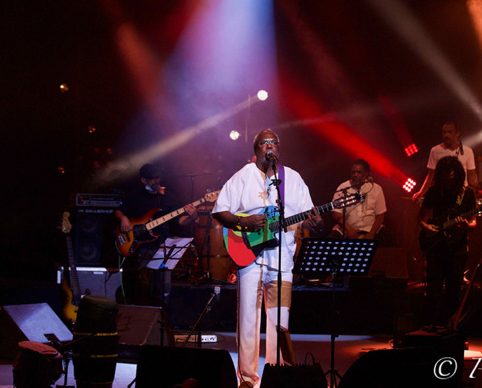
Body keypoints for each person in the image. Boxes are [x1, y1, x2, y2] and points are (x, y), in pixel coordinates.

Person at [212, 129, 321, 388]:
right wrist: (244, 220)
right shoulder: (243, 176)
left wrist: (316, 222)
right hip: (249, 254)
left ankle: (278, 377)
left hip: (282, 258)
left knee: (279, 321)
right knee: (248, 318)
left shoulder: (292, 179)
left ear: (279, 148)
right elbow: (219, 211)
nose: (269, 146)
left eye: (273, 142)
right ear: (256, 149)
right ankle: (248, 380)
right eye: (264, 142)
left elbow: (310, 215)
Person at [113, 163, 195, 306]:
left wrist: (192, 217)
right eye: (152, 178)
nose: (156, 181)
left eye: (158, 178)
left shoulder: (168, 196)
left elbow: (179, 221)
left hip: (163, 245)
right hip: (141, 247)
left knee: (164, 286)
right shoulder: (135, 195)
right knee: (144, 286)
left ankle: (162, 315)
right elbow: (119, 211)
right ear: (143, 180)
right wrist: (123, 218)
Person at [417, 156, 477, 328]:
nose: (449, 183)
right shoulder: (434, 191)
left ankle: (451, 328)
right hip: (436, 247)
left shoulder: (467, 194)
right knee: (433, 290)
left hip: (458, 249)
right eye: (446, 179)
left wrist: (467, 226)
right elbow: (420, 217)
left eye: (452, 179)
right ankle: (429, 327)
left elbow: (473, 222)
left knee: (454, 290)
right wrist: (427, 228)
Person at [413, 122, 479, 202]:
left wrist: (477, 188)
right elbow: (430, 175)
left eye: (450, 132)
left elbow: (472, 176)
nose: (446, 135)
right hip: (442, 194)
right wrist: (421, 192)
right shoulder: (435, 150)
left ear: (457, 133)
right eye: (444, 132)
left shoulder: (468, 151)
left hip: (460, 194)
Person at [330, 159, 387, 239]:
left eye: (359, 172)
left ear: (366, 173)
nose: (355, 175)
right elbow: (336, 213)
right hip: (347, 230)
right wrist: (349, 229)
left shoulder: (376, 189)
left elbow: (380, 214)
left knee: (386, 237)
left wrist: (371, 234)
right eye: (353, 172)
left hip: (370, 230)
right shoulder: (343, 188)